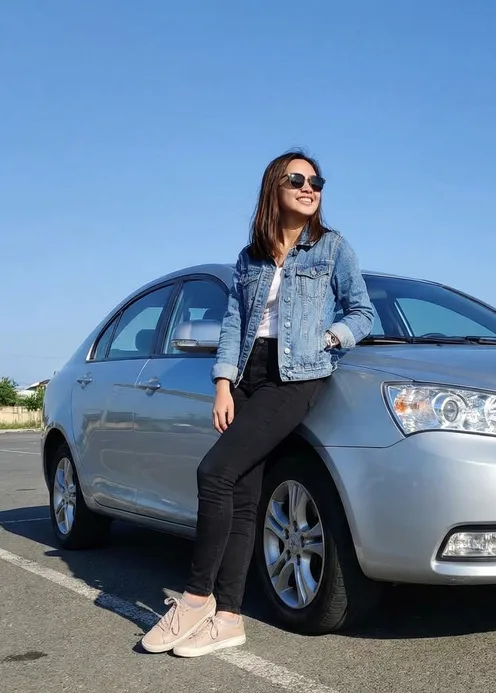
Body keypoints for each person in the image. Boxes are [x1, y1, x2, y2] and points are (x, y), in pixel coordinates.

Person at [142, 150, 374, 657]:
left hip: (295, 377)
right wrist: (223, 383)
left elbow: (362, 311)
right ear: (275, 186)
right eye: (298, 179)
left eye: (317, 180)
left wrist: (329, 339)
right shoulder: (249, 257)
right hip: (248, 375)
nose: (310, 187)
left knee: (214, 474)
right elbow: (233, 324)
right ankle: (228, 617)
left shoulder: (332, 248)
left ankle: (194, 598)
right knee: (243, 494)